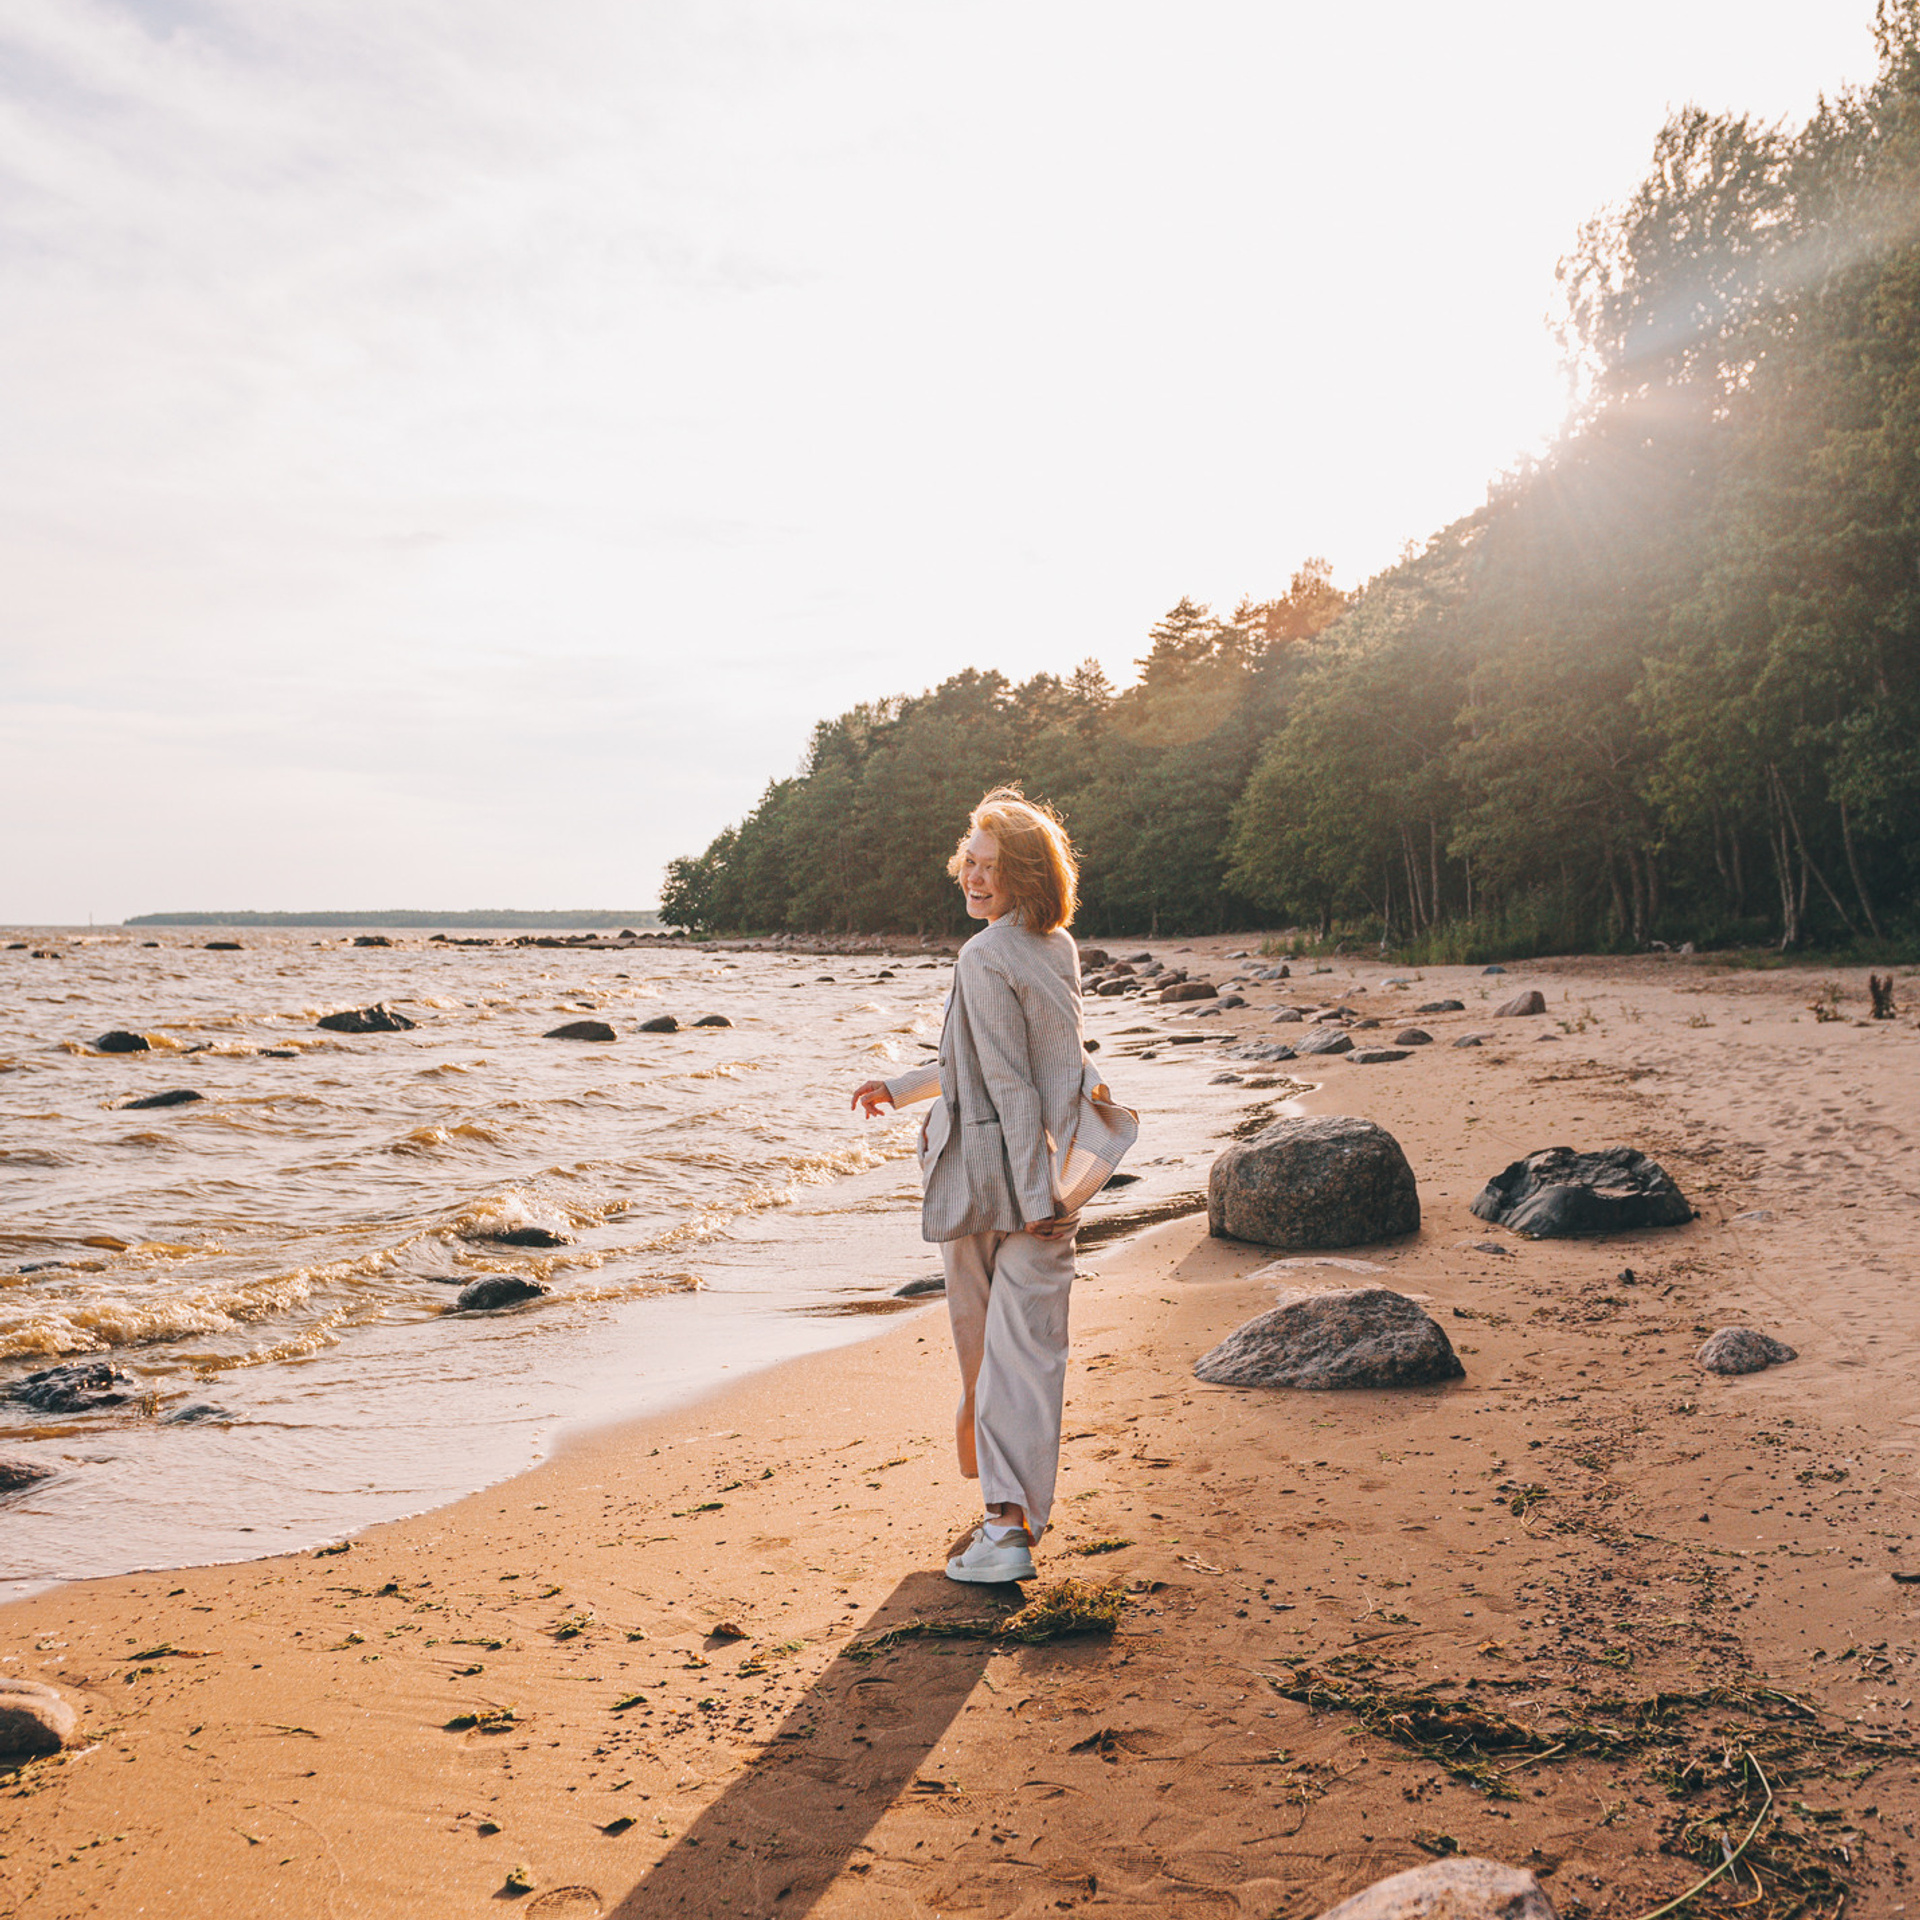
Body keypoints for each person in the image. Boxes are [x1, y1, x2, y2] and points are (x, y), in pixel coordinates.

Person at [852, 788, 1089, 1585]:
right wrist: (906, 1084)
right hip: (1052, 1168)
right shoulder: (1053, 945)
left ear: (1024, 875)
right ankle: (1013, 1518)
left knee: (988, 1350)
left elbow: (1013, 1086)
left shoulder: (982, 957)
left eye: (992, 868)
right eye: (971, 863)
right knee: (1033, 1352)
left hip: (1000, 1184)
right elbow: (1003, 1066)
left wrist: (1035, 1204)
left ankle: (1002, 1528)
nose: (974, 879)